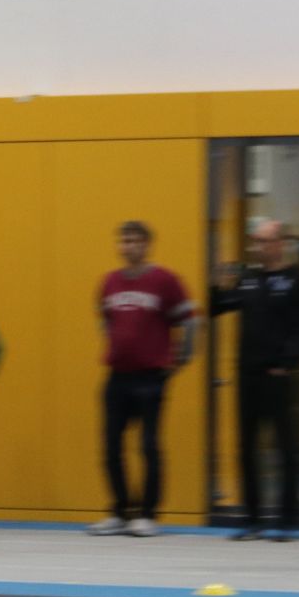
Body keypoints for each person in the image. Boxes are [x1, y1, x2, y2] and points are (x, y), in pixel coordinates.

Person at [93, 220, 195, 536]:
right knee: (110, 446)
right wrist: (117, 346)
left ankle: (148, 514)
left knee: (148, 445)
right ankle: (121, 510)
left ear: (147, 245)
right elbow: (105, 322)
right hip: (117, 376)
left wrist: (179, 360)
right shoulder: (109, 282)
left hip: (150, 377)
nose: (130, 246)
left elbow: (190, 321)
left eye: (136, 240)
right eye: (125, 240)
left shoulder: (165, 280)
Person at [212, 219, 299, 540]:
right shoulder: (249, 280)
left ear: (280, 243)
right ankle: (253, 520)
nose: (258, 247)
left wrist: (287, 363)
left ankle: (287, 521)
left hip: (277, 376)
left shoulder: (296, 280)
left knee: (285, 448)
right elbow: (219, 306)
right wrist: (217, 283)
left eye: (265, 241)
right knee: (247, 448)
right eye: (256, 242)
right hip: (248, 375)